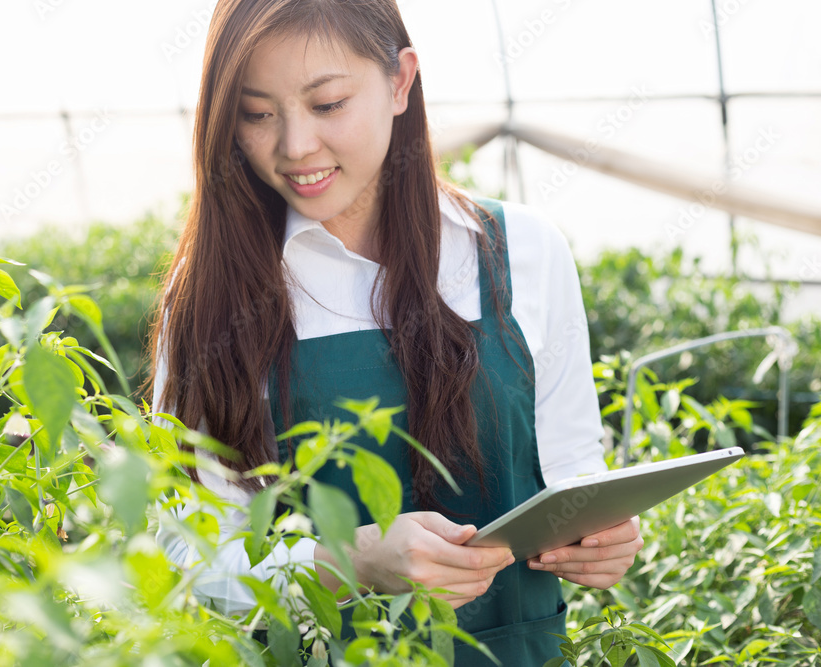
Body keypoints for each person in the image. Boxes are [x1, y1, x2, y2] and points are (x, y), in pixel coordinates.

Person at [149, 0, 644, 663]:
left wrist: (603, 537)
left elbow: (573, 469)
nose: (295, 146)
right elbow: (187, 559)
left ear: (401, 82)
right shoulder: (212, 293)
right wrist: (345, 560)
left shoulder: (522, 250)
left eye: (327, 105)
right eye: (258, 113)